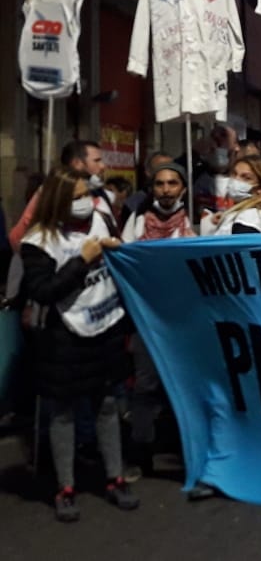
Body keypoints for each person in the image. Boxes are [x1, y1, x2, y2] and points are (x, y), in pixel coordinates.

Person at [18, 167, 139, 521]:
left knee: (107, 406)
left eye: (87, 194)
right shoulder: (38, 241)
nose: (85, 202)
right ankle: (66, 487)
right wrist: (81, 261)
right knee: (63, 413)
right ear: (58, 201)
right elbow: (43, 291)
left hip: (106, 326)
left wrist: (117, 251)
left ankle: (115, 478)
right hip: (64, 337)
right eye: (76, 197)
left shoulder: (102, 220)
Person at [119, 160, 194, 483]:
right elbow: (123, 262)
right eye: (160, 184)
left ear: (183, 189)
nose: (166, 190)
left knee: (185, 386)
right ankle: (141, 454)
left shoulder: (195, 223)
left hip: (184, 320)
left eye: (172, 183)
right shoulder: (137, 222)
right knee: (145, 386)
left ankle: (186, 452)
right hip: (146, 318)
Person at [9, 140, 111, 251]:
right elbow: (17, 237)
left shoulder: (99, 194)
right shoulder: (49, 194)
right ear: (77, 163)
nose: (102, 166)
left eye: (85, 195)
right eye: (97, 161)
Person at [210, 155, 261, 235]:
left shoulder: (248, 218)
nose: (236, 180)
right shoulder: (257, 215)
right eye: (234, 174)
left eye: (246, 178)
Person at [124, 150, 174, 214]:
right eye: (160, 169)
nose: (165, 174)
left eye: (170, 169)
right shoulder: (134, 204)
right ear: (148, 172)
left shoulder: (183, 200)